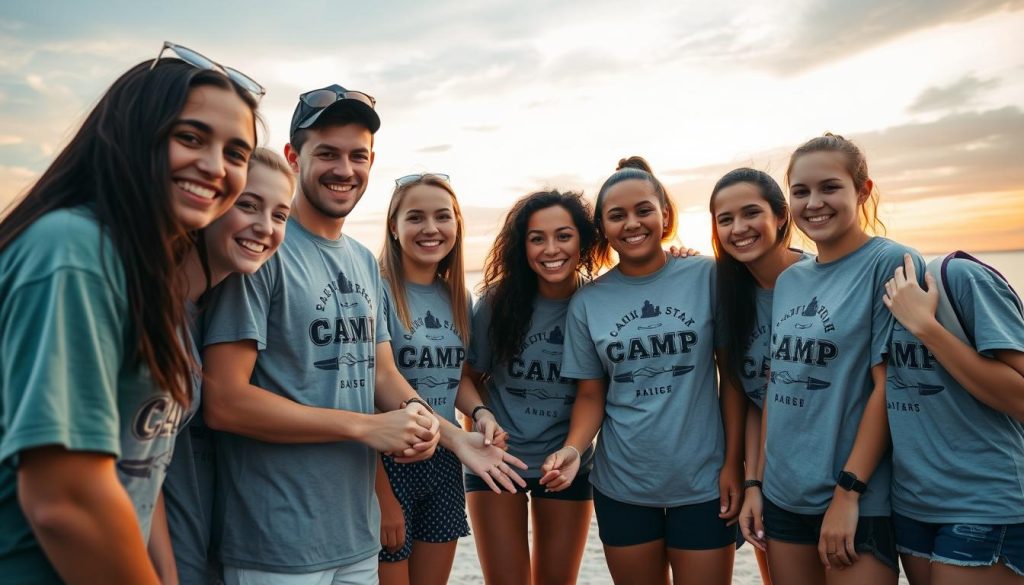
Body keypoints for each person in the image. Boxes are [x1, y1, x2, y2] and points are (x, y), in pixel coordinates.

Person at [200, 84, 523, 585]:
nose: (344, 170)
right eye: (326, 153)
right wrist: (365, 428)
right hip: (277, 540)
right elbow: (223, 401)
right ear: (293, 157)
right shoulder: (262, 250)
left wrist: (452, 436)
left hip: (355, 534)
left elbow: (383, 373)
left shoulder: (359, 262)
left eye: (358, 156)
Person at [0, 43, 260, 584]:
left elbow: (135, 472)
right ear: (133, 131)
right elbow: (66, 499)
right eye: (190, 137)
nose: (214, 167)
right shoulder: (74, 250)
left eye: (236, 153)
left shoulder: (144, 274)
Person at [543, 157, 745, 585]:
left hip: (704, 483)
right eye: (617, 216)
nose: (632, 223)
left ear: (665, 215)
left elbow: (732, 380)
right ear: (602, 227)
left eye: (643, 210)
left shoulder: (707, 275)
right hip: (623, 485)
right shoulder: (589, 302)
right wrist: (574, 450)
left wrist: (734, 464)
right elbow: (591, 396)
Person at [745, 133, 922, 585]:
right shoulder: (790, 281)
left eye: (829, 187)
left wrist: (849, 493)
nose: (814, 202)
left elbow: (890, 386)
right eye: (801, 191)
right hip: (784, 497)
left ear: (862, 191)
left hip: (857, 498)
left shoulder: (892, 263)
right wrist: (757, 485)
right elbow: (778, 386)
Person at [161, 147, 295, 585]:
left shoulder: (210, 306)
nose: (265, 227)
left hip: (208, 551)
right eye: (248, 205)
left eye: (280, 215)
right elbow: (130, 482)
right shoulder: (153, 310)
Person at [374, 172, 507, 585]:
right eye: (415, 217)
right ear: (394, 227)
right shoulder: (375, 289)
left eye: (442, 217)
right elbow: (369, 389)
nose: (430, 229)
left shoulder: (458, 296)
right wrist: (382, 497)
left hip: (447, 462)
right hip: (388, 462)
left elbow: (457, 377)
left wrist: (481, 411)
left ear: (456, 225)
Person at [463, 190, 599, 585]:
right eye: (537, 238)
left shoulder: (596, 302)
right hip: (497, 460)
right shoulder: (497, 302)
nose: (550, 249)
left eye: (563, 236)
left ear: (583, 241)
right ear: (521, 245)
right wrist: (481, 414)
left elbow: (592, 393)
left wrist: (572, 450)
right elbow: (466, 377)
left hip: (565, 463)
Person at [883, 253, 1024, 585]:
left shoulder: (958, 278)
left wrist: (926, 327)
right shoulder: (869, 294)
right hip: (911, 503)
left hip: (985, 503)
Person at [710, 168, 807, 585]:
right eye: (725, 219)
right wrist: (750, 479)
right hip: (769, 473)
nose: (739, 228)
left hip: (830, 473)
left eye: (751, 213)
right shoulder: (730, 293)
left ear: (781, 216)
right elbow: (751, 394)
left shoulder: (817, 280)